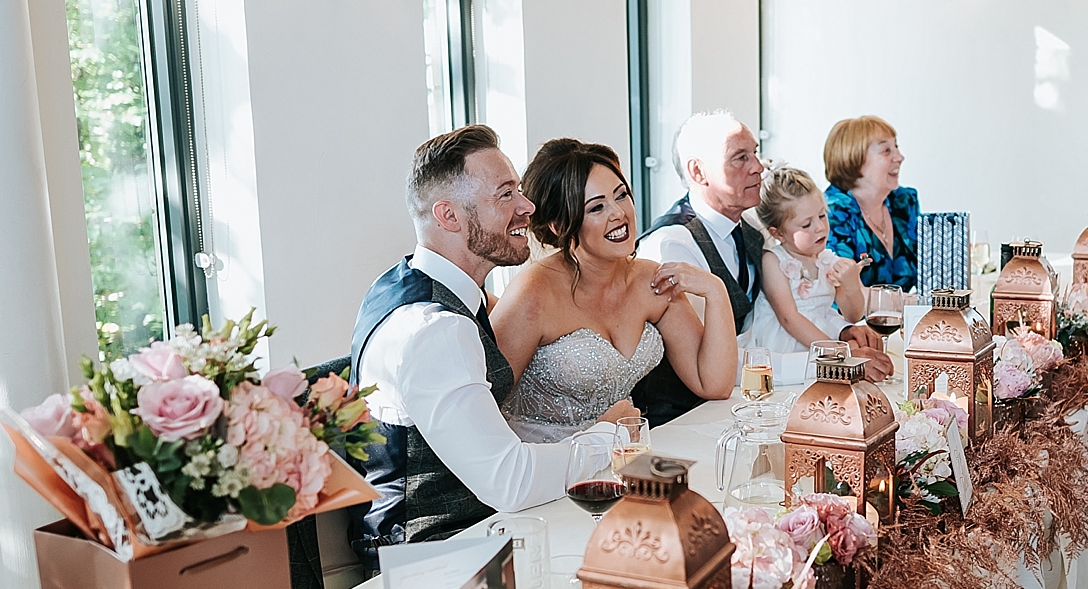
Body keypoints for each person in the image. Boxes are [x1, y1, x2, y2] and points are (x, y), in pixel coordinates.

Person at [348, 125, 630, 551]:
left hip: (482, 535)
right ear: (449, 216)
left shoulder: (412, 283)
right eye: (505, 195)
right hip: (439, 562)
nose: (527, 206)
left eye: (518, 189)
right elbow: (510, 482)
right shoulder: (435, 329)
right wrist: (609, 436)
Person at [633, 112, 889, 424]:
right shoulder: (672, 245)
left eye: (755, 153)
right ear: (698, 171)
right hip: (685, 418)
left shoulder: (751, 231)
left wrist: (845, 332)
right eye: (740, 158)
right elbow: (710, 361)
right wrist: (831, 361)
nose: (758, 167)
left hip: (745, 401)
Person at [493, 140, 738, 442]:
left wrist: (716, 291)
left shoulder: (651, 279)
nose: (619, 213)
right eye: (597, 207)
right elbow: (480, 408)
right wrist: (598, 434)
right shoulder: (533, 292)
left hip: (622, 456)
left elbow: (713, 383)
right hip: (545, 467)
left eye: (621, 195)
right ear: (559, 225)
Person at [743, 166, 867, 357]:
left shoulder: (827, 260)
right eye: (806, 224)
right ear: (778, 233)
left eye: (822, 215)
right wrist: (837, 352)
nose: (819, 227)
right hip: (786, 347)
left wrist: (850, 285)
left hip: (821, 339)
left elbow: (853, 315)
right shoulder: (774, 261)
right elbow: (789, 318)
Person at [823, 115, 922, 291]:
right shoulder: (832, 213)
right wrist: (912, 302)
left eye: (896, 147)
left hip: (904, 317)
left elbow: (927, 270)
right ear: (855, 159)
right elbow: (843, 291)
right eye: (887, 151)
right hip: (853, 319)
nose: (899, 157)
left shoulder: (904, 202)